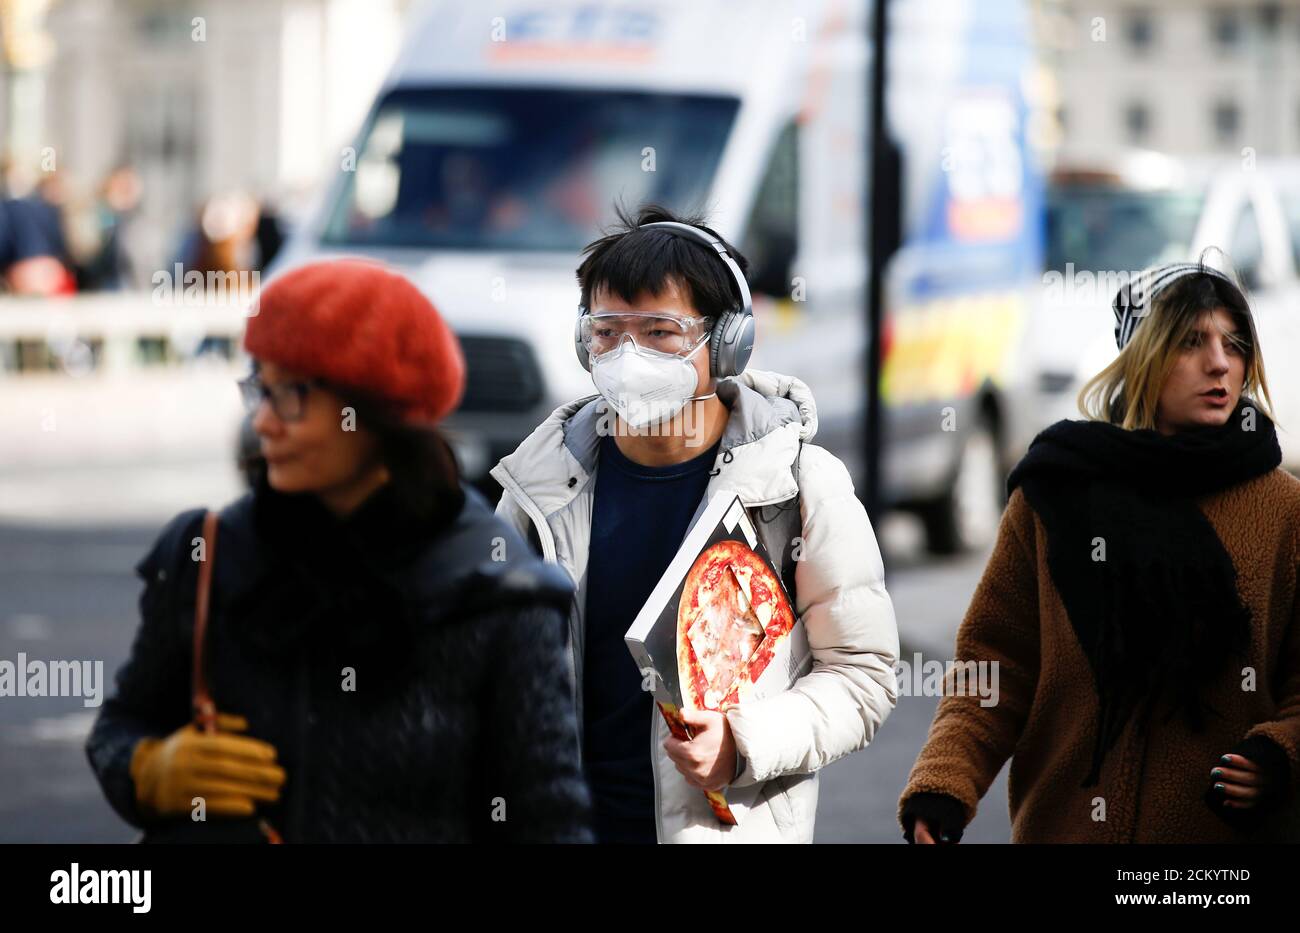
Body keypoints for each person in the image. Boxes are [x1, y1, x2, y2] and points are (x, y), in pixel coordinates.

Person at [86, 259, 592, 843]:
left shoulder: (499, 594)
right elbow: (120, 725)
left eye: (292, 396)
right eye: (260, 390)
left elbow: (547, 819)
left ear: (376, 412)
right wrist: (149, 771)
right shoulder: (208, 555)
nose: (264, 423)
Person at [491, 203, 900, 843]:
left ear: (726, 342)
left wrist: (744, 745)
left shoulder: (797, 487)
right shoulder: (539, 488)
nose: (629, 356)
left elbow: (862, 675)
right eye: (607, 333)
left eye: (660, 332)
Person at [899, 259, 1300, 843]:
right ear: (1141, 358)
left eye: (1234, 344)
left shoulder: (1283, 509)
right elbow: (995, 663)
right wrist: (945, 784)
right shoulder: (1055, 492)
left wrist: (1279, 755)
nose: (1219, 363)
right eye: (1191, 342)